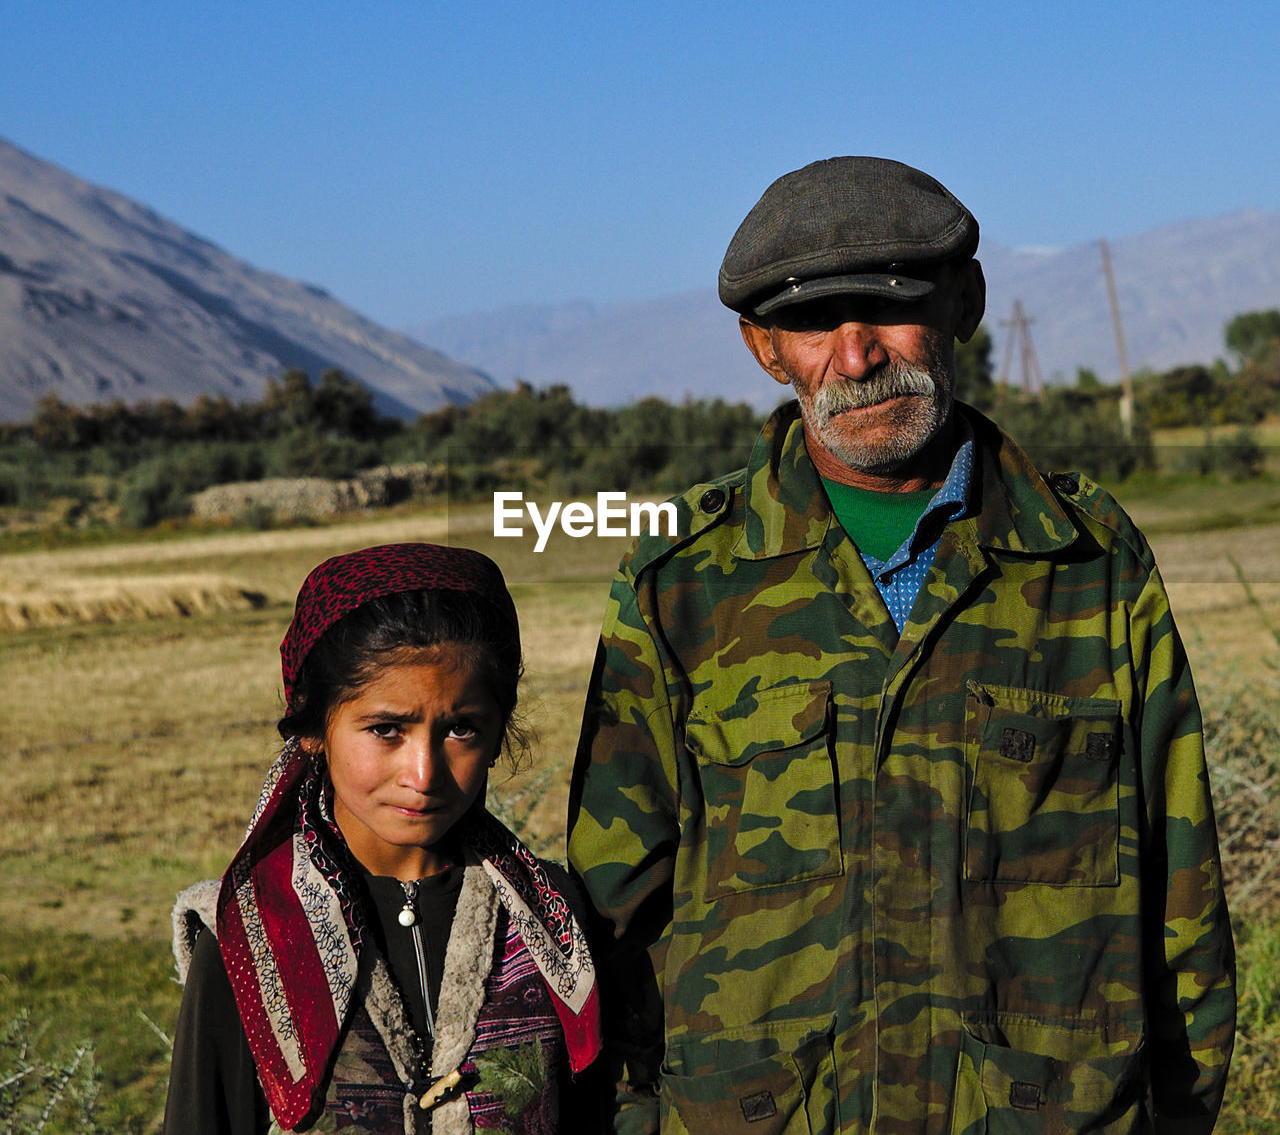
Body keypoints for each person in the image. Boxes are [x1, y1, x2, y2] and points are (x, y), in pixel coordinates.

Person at [567, 157, 1235, 1134]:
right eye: (810, 323)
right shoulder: (683, 583)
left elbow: (1182, 896)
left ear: (960, 300)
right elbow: (610, 916)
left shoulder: (1087, 560)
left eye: (886, 305)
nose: (854, 355)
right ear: (762, 349)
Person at [165, 542, 600, 1134]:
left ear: (500, 733)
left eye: (461, 730)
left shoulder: (553, 921)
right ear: (315, 728)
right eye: (387, 729)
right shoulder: (249, 937)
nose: (423, 775)